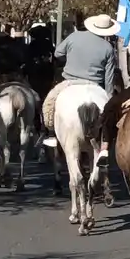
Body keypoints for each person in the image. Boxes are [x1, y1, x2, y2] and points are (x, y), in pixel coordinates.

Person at [42, 12, 120, 157]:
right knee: (111, 114)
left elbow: (58, 53)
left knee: (49, 105)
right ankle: (105, 139)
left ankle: (52, 134)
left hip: (69, 82)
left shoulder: (74, 36)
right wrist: (109, 97)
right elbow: (109, 79)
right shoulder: (108, 48)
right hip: (96, 84)